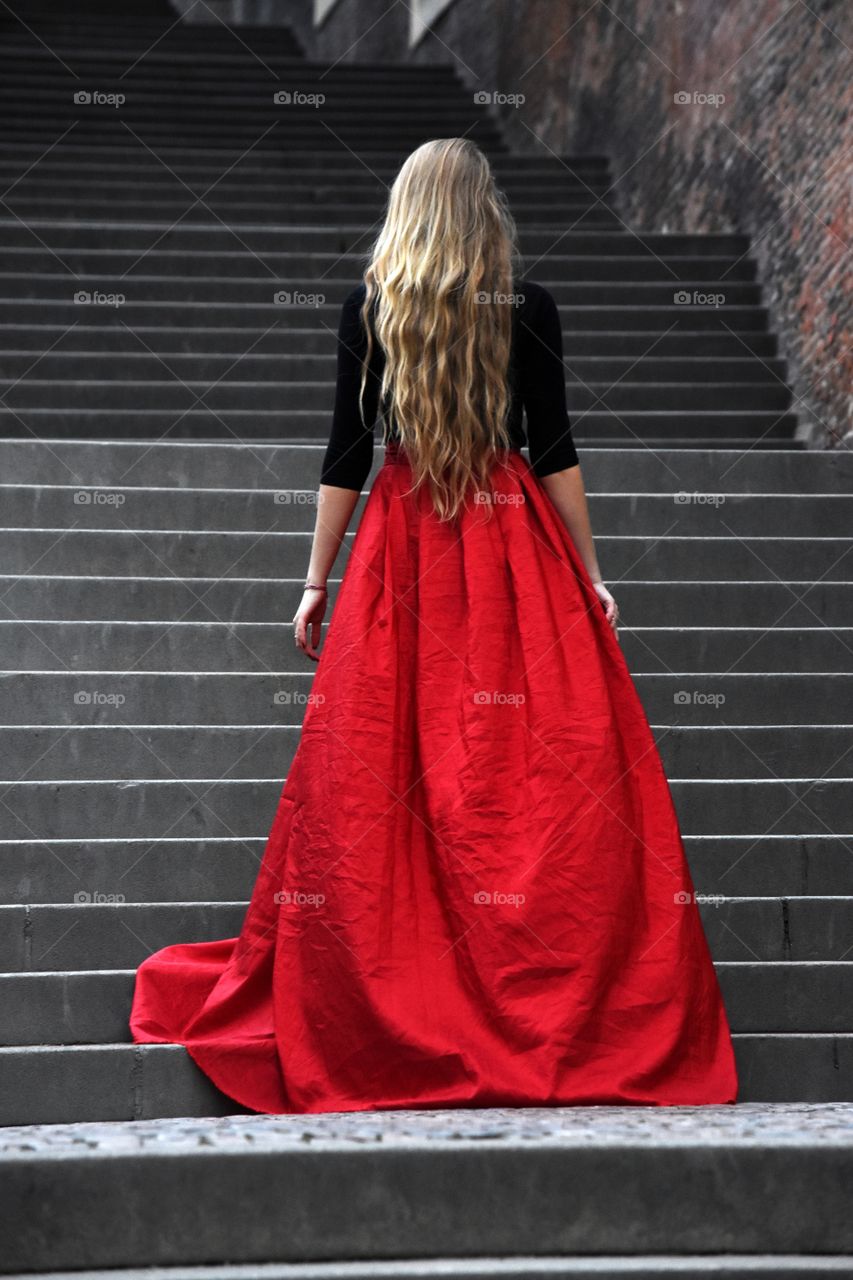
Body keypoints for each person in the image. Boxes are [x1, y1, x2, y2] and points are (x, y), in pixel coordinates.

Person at [130, 138, 738, 1111]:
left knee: (384, 771)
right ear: (485, 214)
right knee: (533, 776)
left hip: (402, 551)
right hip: (511, 551)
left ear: (406, 210)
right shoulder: (526, 309)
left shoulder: (373, 309)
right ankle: (541, 995)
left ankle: (400, 986)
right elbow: (554, 450)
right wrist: (588, 571)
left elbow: (345, 456)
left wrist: (316, 581)